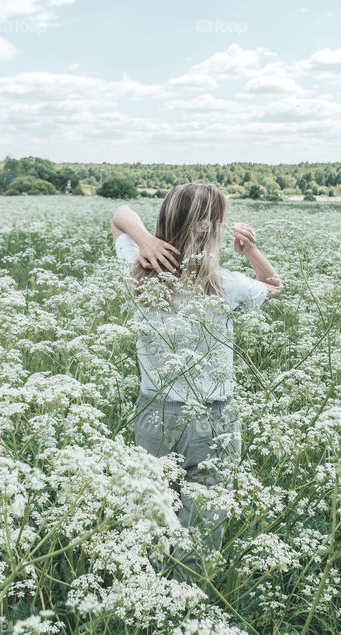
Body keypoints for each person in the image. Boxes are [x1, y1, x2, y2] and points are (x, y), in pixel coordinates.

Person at [110, 183, 280, 582]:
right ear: (211, 232)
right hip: (212, 419)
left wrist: (145, 239)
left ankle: (146, 603)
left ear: (165, 223)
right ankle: (181, 609)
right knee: (199, 530)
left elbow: (119, 214)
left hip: (154, 415)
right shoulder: (226, 284)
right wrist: (252, 250)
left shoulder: (139, 270)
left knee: (150, 521)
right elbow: (275, 286)